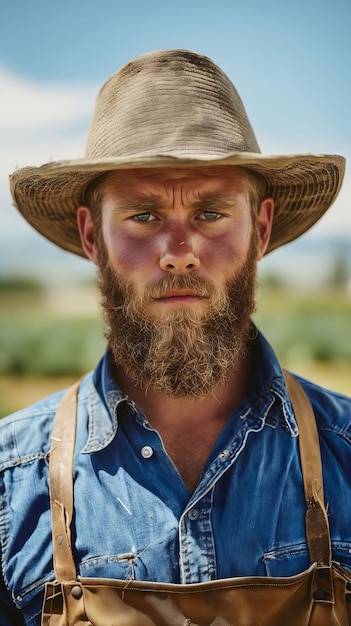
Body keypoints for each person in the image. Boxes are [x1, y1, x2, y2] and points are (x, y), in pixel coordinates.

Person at [1, 49, 350, 626]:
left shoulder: (343, 455)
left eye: (211, 213)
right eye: (144, 216)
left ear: (259, 229)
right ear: (94, 237)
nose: (179, 254)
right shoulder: (15, 485)